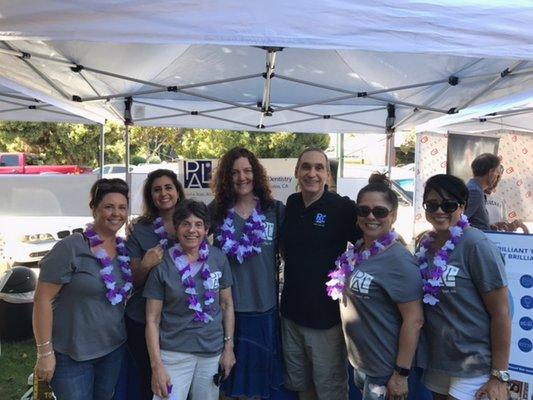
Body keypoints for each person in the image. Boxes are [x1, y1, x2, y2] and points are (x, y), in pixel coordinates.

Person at [328, 173, 424, 400]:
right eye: (363, 210)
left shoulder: (399, 260)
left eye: (379, 211)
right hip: (360, 364)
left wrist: (401, 374)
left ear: (393, 216)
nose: (370, 216)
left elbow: (414, 320)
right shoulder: (357, 250)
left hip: (384, 370)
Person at [33, 178, 132, 400]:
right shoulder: (71, 247)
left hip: (113, 350)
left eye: (122, 207)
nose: (116, 213)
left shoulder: (124, 249)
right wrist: (45, 352)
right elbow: (42, 300)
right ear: (94, 208)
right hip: (72, 356)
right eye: (109, 206)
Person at [417, 174, 511, 400]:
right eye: (432, 204)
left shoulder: (476, 244)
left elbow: (501, 313)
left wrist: (499, 376)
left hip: (473, 362)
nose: (440, 211)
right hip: (438, 359)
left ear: (463, 206)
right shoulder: (426, 246)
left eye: (449, 205)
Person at [280, 147, 361, 400]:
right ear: (296, 172)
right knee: (302, 387)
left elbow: (371, 241)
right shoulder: (291, 204)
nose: (311, 173)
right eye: (306, 167)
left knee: (330, 391)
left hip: (326, 321)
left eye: (318, 168)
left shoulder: (342, 208)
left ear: (327, 174)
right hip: (291, 315)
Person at [210, 147, 287, 399]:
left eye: (247, 170)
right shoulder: (216, 211)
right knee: (227, 384)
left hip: (264, 309)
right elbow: (188, 236)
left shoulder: (274, 209)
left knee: (259, 388)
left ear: (256, 173)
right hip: (227, 310)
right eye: (234, 173)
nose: (241, 177)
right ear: (226, 177)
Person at [144, 199, 236, 400]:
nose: (192, 230)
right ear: (176, 229)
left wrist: (228, 348)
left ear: (206, 229)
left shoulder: (218, 258)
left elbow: (227, 305)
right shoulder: (162, 264)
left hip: (211, 352)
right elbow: (152, 320)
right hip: (173, 354)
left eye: (198, 224)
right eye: (185, 224)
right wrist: (156, 365)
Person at [125, 169, 185, 400]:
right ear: (150, 196)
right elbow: (134, 280)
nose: (163, 193)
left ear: (177, 191)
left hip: (179, 320)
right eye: (157, 189)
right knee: (150, 381)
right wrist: (146, 265)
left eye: (168, 187)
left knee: (177, 382)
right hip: (142, 318)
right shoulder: (139, 229)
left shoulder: (192, 223)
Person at [465, 153, 503, 230]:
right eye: (497, 172)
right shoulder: (474, 191)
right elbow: (458, 221)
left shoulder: (475, 189)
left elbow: (473, 221)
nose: (497, 177)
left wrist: (489, 227)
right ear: (491, 172)